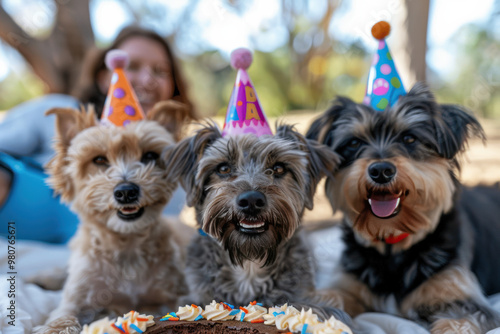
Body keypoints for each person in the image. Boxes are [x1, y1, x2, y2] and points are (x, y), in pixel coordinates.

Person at [0, 25, 196, 243]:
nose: (148, 79)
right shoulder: (57, 112)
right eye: (132, 66)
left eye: (160, 71)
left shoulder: (174, 165)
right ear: (104, 78)